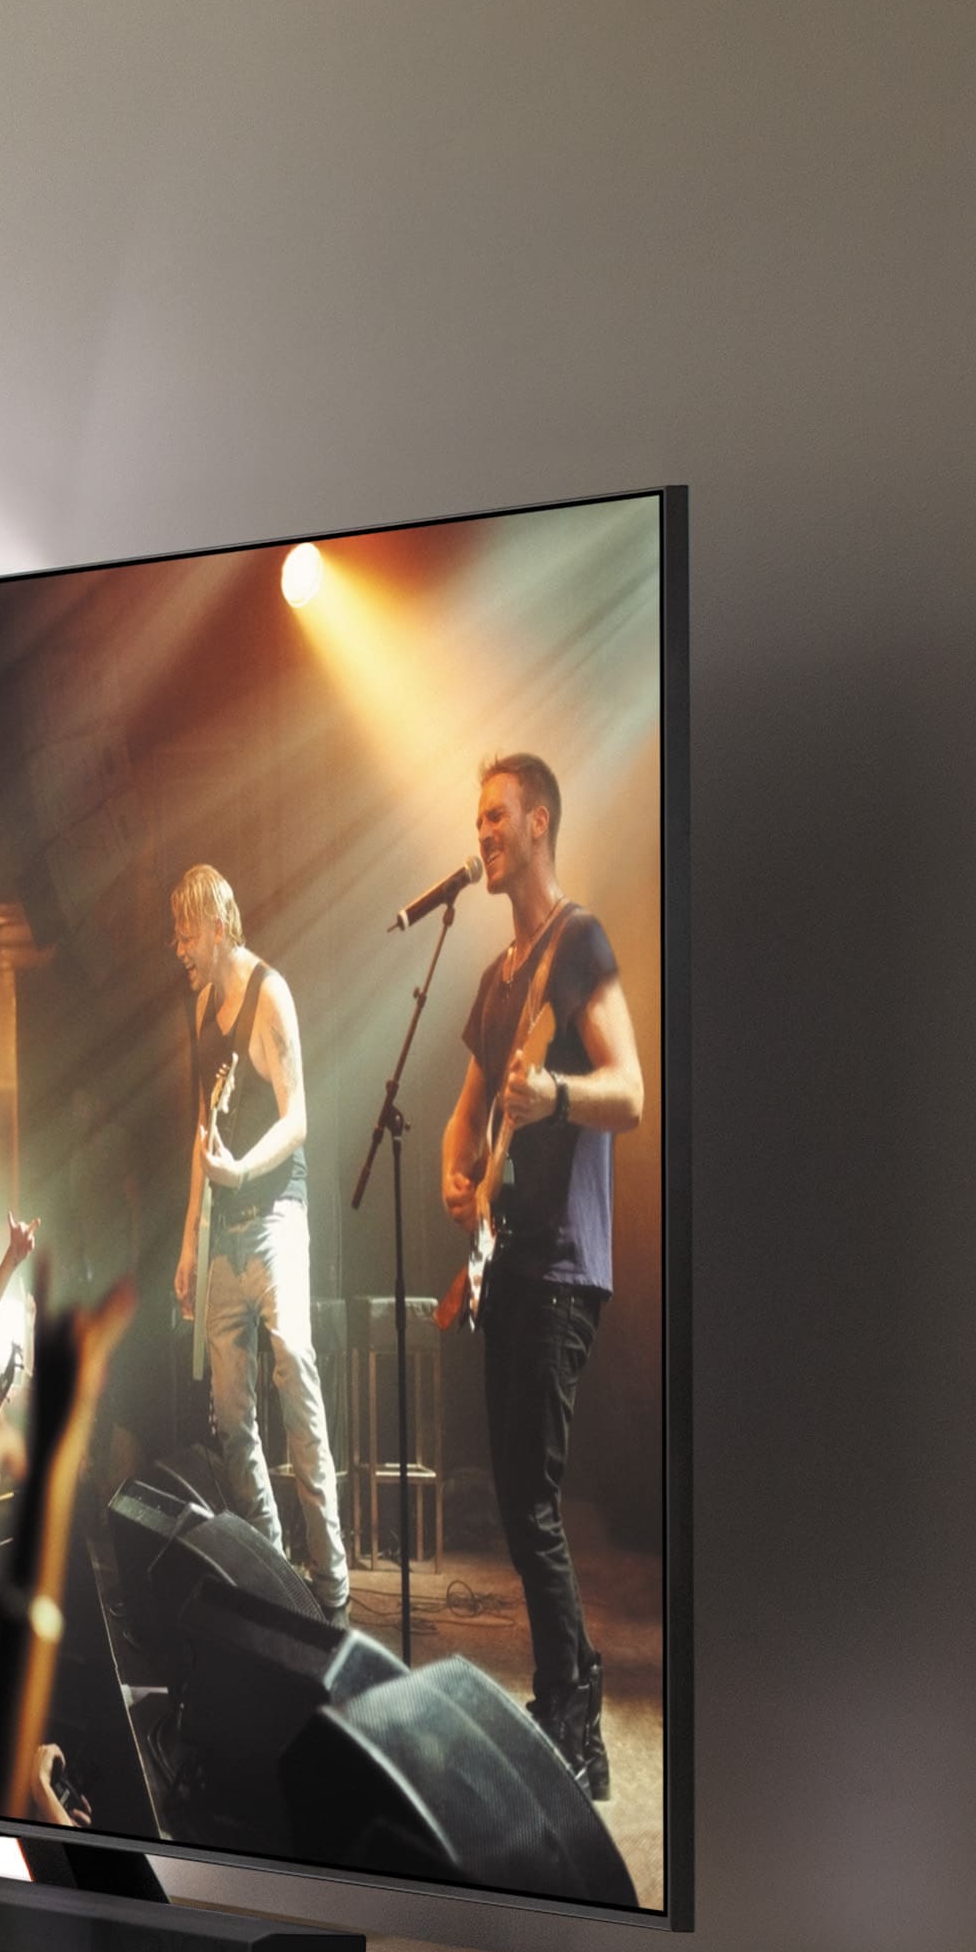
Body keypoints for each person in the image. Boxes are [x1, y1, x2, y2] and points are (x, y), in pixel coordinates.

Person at [435, 751, 647, 1796]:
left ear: (539, 825)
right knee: (518, 1498)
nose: (481, 835)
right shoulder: (494, 976)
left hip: (566, 1255)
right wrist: (455, 1175)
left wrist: (553, 1095)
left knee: (537, 1503)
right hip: (507, 1258)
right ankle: (562, 1696)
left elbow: (631, 1089)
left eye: (494, 818)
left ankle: (581, 1721)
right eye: (477, 820)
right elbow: (464, 1115)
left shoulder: (578, 941)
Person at [164, 866, 350, 1616]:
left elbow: (299, 1116)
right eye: (175, 938)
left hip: (275, 1219)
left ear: (216, 926)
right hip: (220, 1232)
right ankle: (275, 1572)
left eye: (185, 935)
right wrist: (186, 1243)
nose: (178, 950)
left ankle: (331, 1579)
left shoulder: (269, 992)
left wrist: (242, 1171)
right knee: (229, 1411)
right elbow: (199, 1133)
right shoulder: (199, 1004)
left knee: (295, 1373)